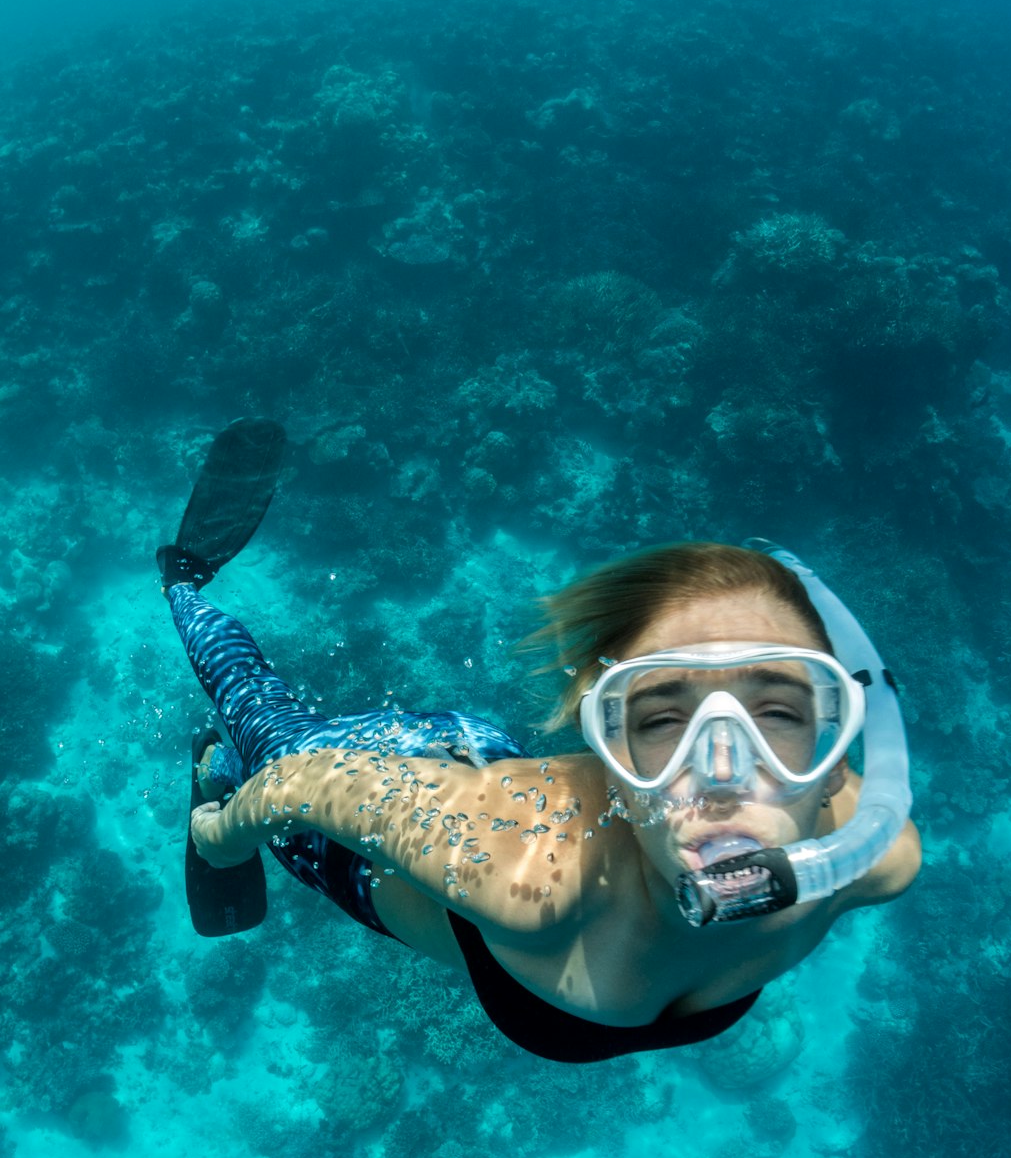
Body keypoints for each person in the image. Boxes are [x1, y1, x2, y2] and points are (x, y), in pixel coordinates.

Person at [162, 421, 921, 1064]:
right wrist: (221, 838)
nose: (723, 772)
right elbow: (303, 785)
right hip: (405, 805)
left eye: (777, 714)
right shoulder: (528, 872)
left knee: (266, 753)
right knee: (268, 735)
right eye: (661, 719)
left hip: (481, 763)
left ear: (836, 760)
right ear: (609, 755)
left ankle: (215, 761)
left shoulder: (872, 853)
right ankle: (184, 584)